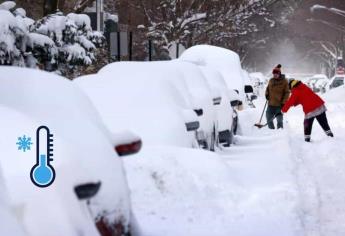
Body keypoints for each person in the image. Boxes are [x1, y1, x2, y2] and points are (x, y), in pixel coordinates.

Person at [265, 64, 290, 129]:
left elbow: (287, 92)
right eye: (274, 74)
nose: (275, 75)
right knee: (268, 118)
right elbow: (267, 89)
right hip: (270, 104)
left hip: (279, 105)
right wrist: (267, 95)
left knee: (279, 120)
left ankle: (280, 133)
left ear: (279, 74)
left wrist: (283, 102)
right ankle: (272, 132)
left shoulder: (284, 81)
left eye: (276, 74)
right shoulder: (271, 80)